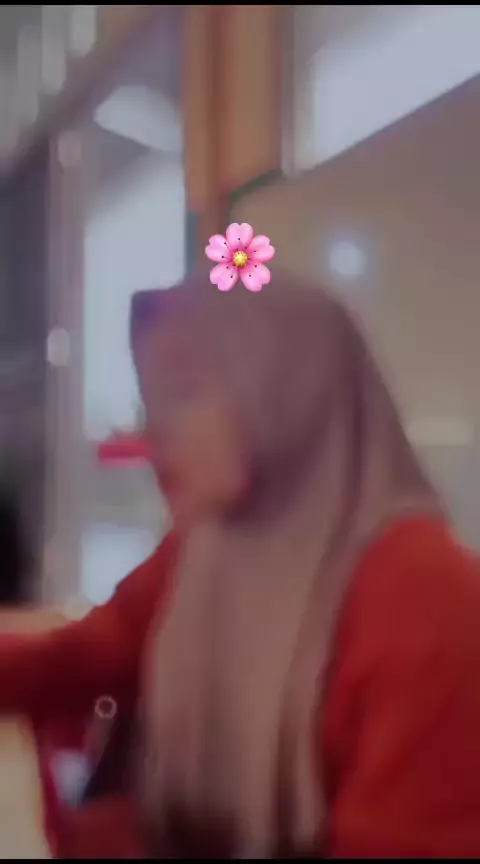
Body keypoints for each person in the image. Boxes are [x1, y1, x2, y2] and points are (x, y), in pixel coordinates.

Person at [2, 265, 480, 858]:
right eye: (151, 401)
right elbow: (81, 656)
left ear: (288, 393)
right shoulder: (210, 549)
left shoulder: (427, 597)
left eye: (185, 393)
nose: (155, 431)